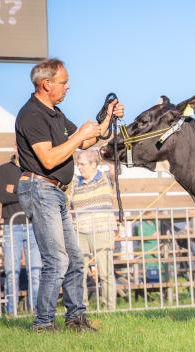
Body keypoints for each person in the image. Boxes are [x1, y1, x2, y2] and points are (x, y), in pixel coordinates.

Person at [15, 58, 124, 332]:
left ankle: (76, 319)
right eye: (63, 82)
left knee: (74, 259)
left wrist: (107, 117)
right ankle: (43, 324)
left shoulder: (55, 113)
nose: (68, 87)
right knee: (57, 259)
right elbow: (49, 158)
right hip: (40, 188)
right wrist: (79, 137)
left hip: (55, 192)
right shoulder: (31, 115)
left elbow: (88, 139)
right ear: (46, 83)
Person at [0, 150, 43, 315]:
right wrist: (25, 193)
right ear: (16, 148)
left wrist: (14, 190)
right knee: (11, 273)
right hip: (12, 226)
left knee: (36, 272)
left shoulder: (34, 170)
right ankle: (11, 313)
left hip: (32, 226)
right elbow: (2, 196)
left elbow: (38, 195)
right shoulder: (3, 169)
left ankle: (36, 313)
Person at [72, 149, 117, 311]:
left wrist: (106, 152)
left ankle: (109, 309)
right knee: (79, 273)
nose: (80, 167)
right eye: (78, 164)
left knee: (105, 273)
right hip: (80, 232)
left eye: (83, 164)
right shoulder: (74, 182)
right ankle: (81, 308)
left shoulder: (105, 177)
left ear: (94, 164)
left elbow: (115, 168)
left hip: (102, 230)